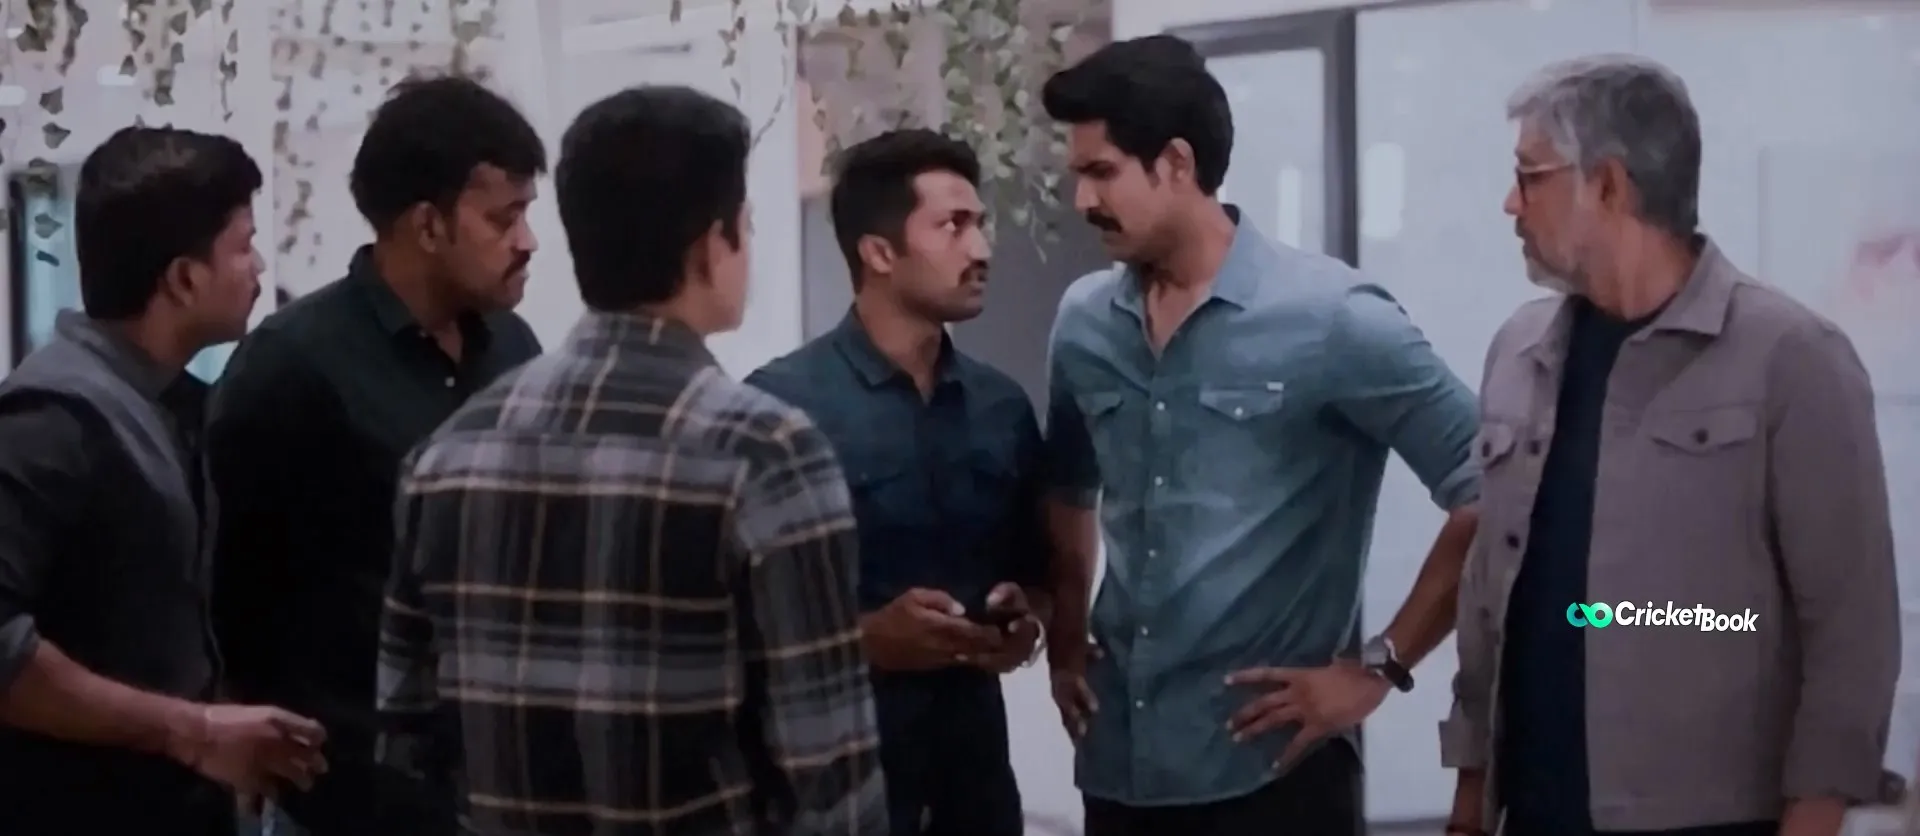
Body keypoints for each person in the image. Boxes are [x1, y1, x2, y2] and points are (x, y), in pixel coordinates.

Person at [375, 84, 888, 836]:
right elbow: (827, 771)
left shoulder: (450, 453)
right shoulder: (766, 453)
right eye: (745, 224)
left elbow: (406, 735)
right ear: (712, 243)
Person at [1442, 54, 1901, 836]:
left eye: (1530, 176)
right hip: (1534, 811)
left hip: (1713, 816)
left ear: (1608, 185)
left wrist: (1815, 817)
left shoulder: (1791, 358)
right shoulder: (1519, 351)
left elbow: (1851, 630)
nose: (1511, 203)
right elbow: (1491, 602)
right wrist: (1467, 803)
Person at [1038, 35, 1483, 836]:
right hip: (1118, 769)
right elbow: (1068, 487)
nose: (1081, 200)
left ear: (1176, 163)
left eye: (1100, 171)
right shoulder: (1083, 323)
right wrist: (1065, 635)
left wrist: (1380, 667)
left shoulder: (1334, 319)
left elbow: (1491, 490)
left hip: (1275, 776)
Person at [205, 74, 546, 836]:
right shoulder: (292, 367)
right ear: (427, 225)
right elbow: (233, 592)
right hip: (350, 792)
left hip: (500, 781)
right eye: (504, 218)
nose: (527, 241)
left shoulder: (514, 348)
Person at [0, 126, 328, 835]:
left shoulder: (164, 404)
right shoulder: (55, 418)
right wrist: (193, 731)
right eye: (242, 245)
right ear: (183, 277)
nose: (258, 266)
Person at [745, 128, 1045, 835]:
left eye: (980, 224)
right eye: (953, 226)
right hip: (836, 791)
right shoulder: (780, 410)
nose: (981, 249)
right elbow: (726, 621)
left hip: (976, 788)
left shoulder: (1001, 407)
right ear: (878, 253)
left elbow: (1036, 574)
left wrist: (1024, 621)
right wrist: (866, 639)